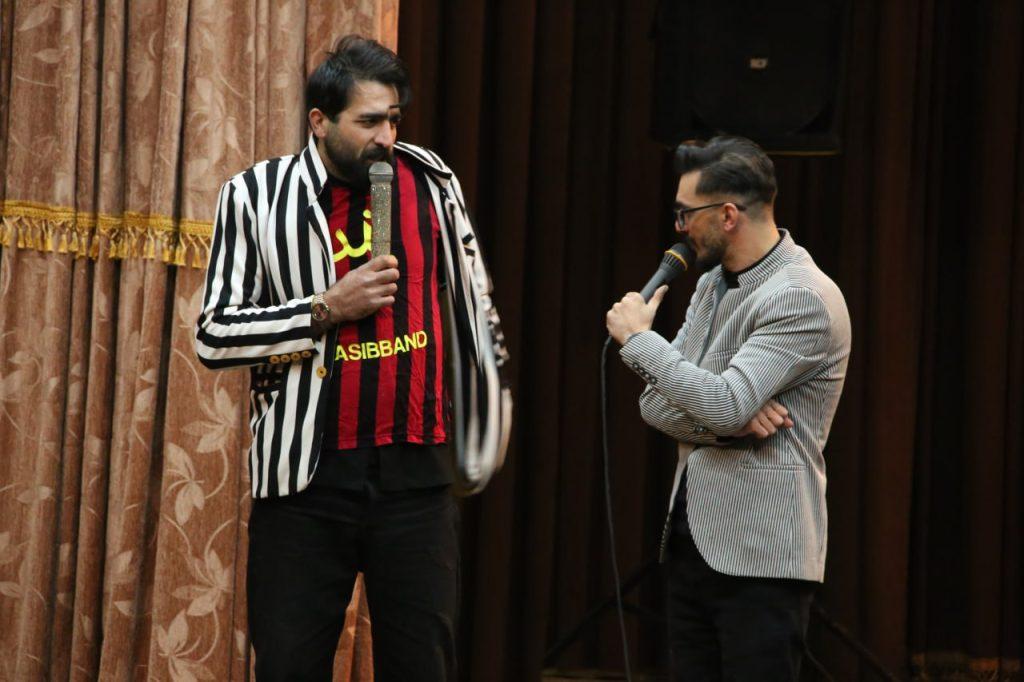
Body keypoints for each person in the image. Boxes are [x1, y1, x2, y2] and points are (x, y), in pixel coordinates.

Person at [195, 35, 509, 681]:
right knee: (288, 668)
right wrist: (325, 309)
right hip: (307, 485)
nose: (386, 137)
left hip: (418, 480)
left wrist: (485, 419)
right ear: (320, 120)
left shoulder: (432, 180)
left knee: (423, 668)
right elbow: (214, 334)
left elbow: (476, 306)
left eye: (394, 119)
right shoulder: (254, 196)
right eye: (368, 121)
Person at [605, 136, 851, 681]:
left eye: (684, 214)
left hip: (762, 556)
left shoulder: (800, 296)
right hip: (693, 545)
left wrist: (639, 342)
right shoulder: (711, 285)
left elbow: (720, 402)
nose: (679, 228)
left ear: (728, 215)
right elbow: (656, 404)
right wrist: (728, 423)